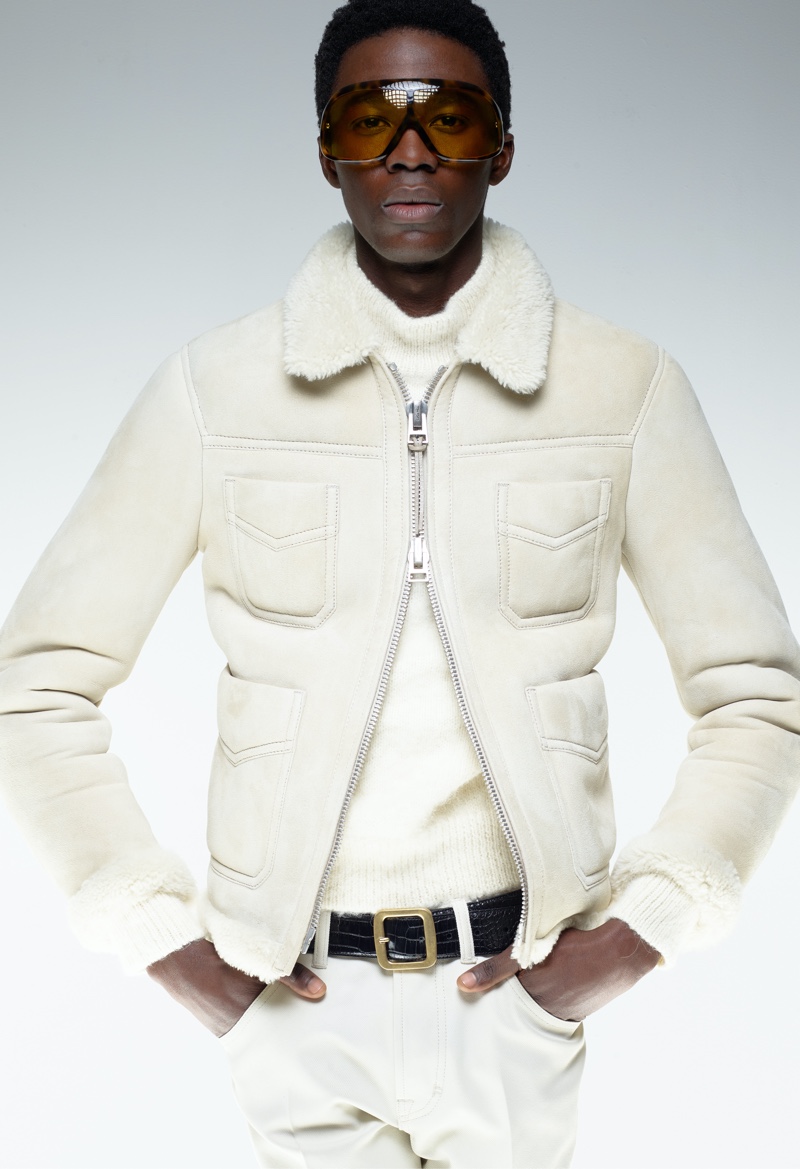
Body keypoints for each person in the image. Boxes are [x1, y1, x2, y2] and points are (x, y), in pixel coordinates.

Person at [1, 1, 798, 1166]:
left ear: (501, 148)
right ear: (326, 150)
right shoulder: (214, 390)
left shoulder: (622, 386)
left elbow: (755, 693)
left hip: (513, 1001)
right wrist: (163, 939)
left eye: (448, 117)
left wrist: (639, 931)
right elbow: (38, 684)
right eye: (369, 118)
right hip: (295, 1004)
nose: (408, 151)